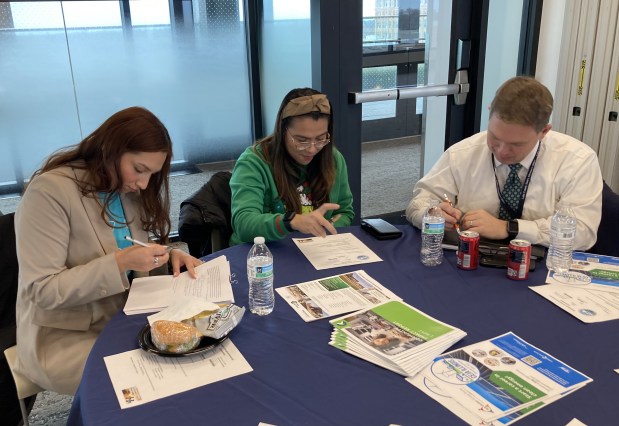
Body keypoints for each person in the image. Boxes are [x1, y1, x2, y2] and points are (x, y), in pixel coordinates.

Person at [14, 107, 202, 395]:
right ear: (110, 149)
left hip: (121, 320)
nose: (143, 184)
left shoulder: (124, 190)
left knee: (194, 353)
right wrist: (118, 262)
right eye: (139, 170)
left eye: (151, 174)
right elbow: (42, 289)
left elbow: (128, 247)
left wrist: (165, 256)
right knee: (157, 378)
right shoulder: (49, 193)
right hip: (63, 337)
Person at [406, 76, 603, 250]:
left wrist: (508, 228)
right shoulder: (463, 153)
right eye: (495, 137)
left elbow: (582, 233)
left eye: (516, 144)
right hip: (470, 256)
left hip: (542, 264)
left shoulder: (577, 161)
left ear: (544, 131)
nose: (501, 151)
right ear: (489, 113)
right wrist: (431, 213)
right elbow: (418, 204)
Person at [229, 88, 354, 245]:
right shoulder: (253, 162)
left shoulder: (333, 158)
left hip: (315, 250)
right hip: (262, 256)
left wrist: (326, 230)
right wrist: (291, 222)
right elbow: (244, 224)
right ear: (282, 131)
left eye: (321, 138)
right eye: (302, 140)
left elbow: (344, 212)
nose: (312, 149)